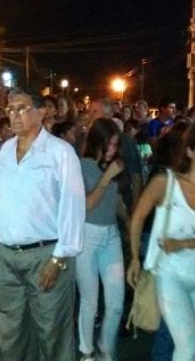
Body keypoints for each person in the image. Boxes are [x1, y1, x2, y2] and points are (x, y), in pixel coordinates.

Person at [0, 88, 86, 361]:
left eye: (22, 108)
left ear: (42, 113)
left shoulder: (60, 153)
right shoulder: (6, 150)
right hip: (6, 256)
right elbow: (0, 190)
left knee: (52, 333)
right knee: (10, 332)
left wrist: (59, 259)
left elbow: (73, 208)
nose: (14, 115)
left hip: (46, 255)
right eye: (10, 109)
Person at [127, 121, 195, 361]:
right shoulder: (166, 182)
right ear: (190, 151)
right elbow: (137, 218)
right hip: (171, 275)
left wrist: (183, 243)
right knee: (187, 349)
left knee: (189, 347)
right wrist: (135, 258)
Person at [77, 118, 129, 361]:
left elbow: (114, 201)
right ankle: (86, 353)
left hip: (111, 235)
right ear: (97, 142)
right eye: (109, 144)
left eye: (116, 145)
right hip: (87, 235)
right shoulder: (84, 165)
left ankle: (105, 349)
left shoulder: (113, 167)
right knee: (90, 301)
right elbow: (87, 204)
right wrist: (107, 176)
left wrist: (129, 220)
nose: (112, 149)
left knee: (116, 303)